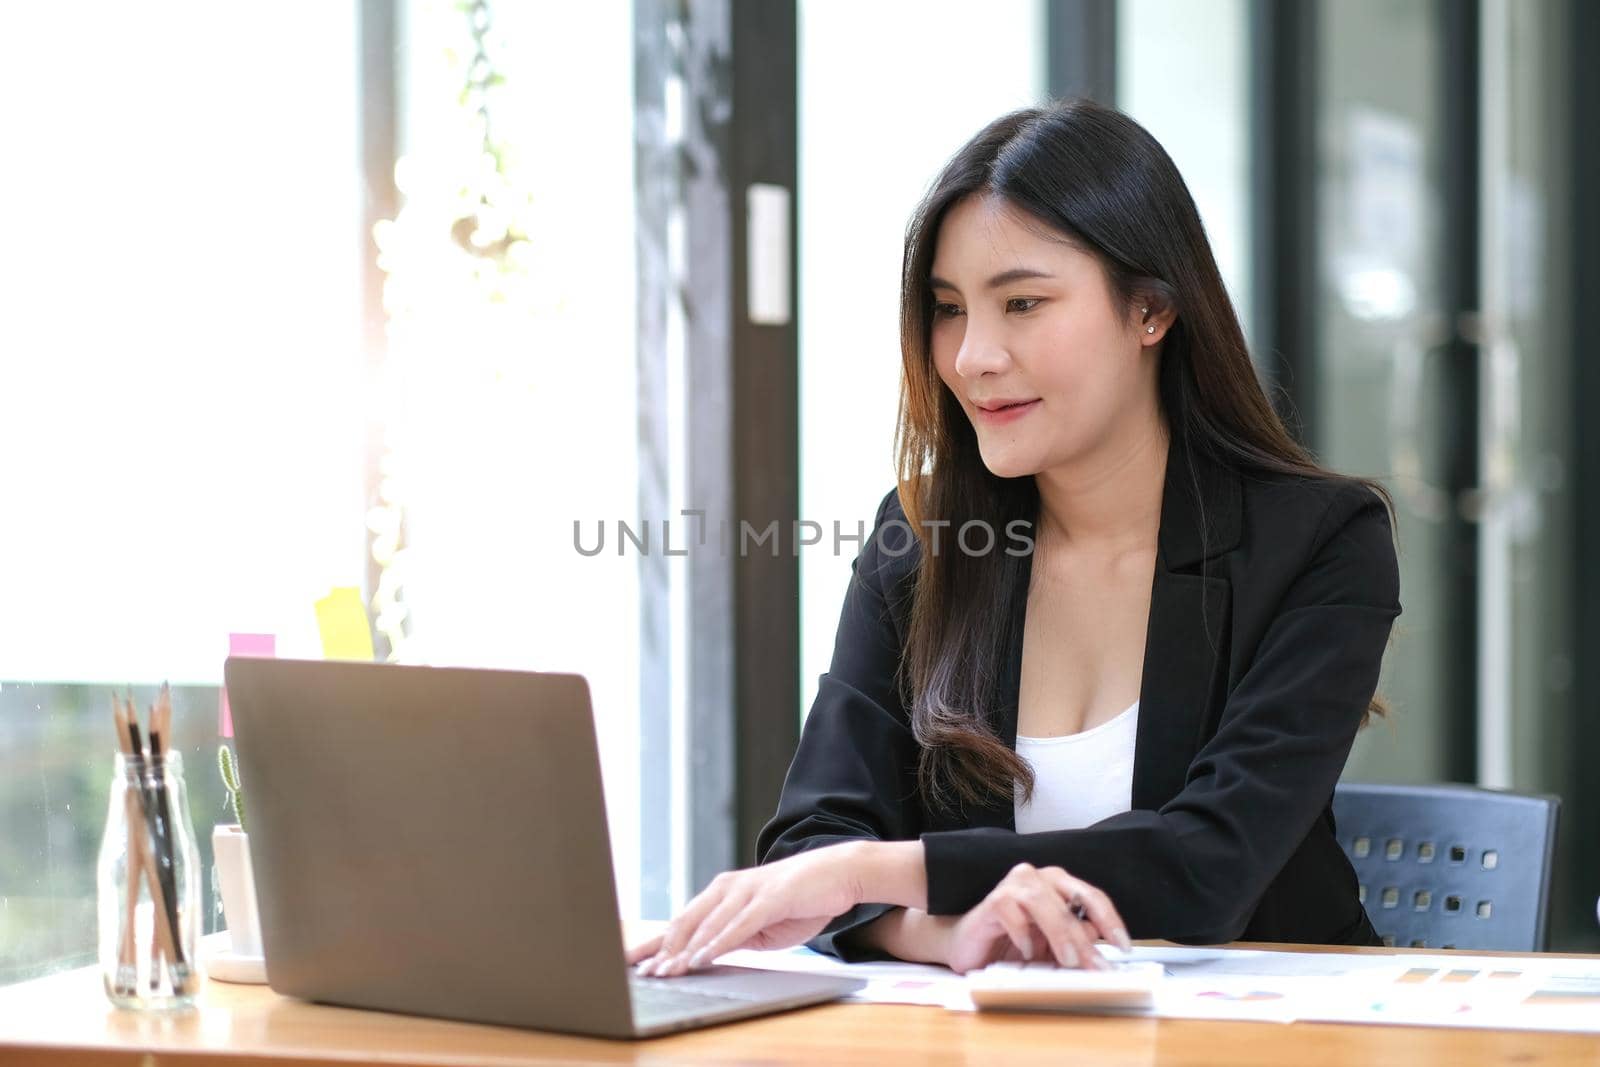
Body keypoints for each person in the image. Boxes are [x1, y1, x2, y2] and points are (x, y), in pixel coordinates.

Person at [629, 98, 1401, 978]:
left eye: (1023, 302)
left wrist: (866, 872)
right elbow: (818, 828)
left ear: (1151, 310)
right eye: (949, 308)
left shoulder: (1320, 540)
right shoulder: (919, 539)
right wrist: (950, 932)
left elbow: (1204, 866)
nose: (970, 356)